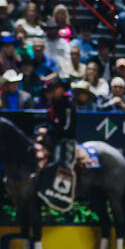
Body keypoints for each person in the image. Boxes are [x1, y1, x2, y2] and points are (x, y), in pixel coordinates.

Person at [39, 77, 76, 209]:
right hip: (52, 138)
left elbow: (66, 127)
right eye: (51, 90)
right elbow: (48, 120)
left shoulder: (69, 105)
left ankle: (62, 193)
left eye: (55, 88)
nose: (53, 92)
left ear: (62, 89)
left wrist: (48, 131)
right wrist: (42, 128)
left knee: (62, 161)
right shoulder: (52, 104)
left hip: (65, 140)